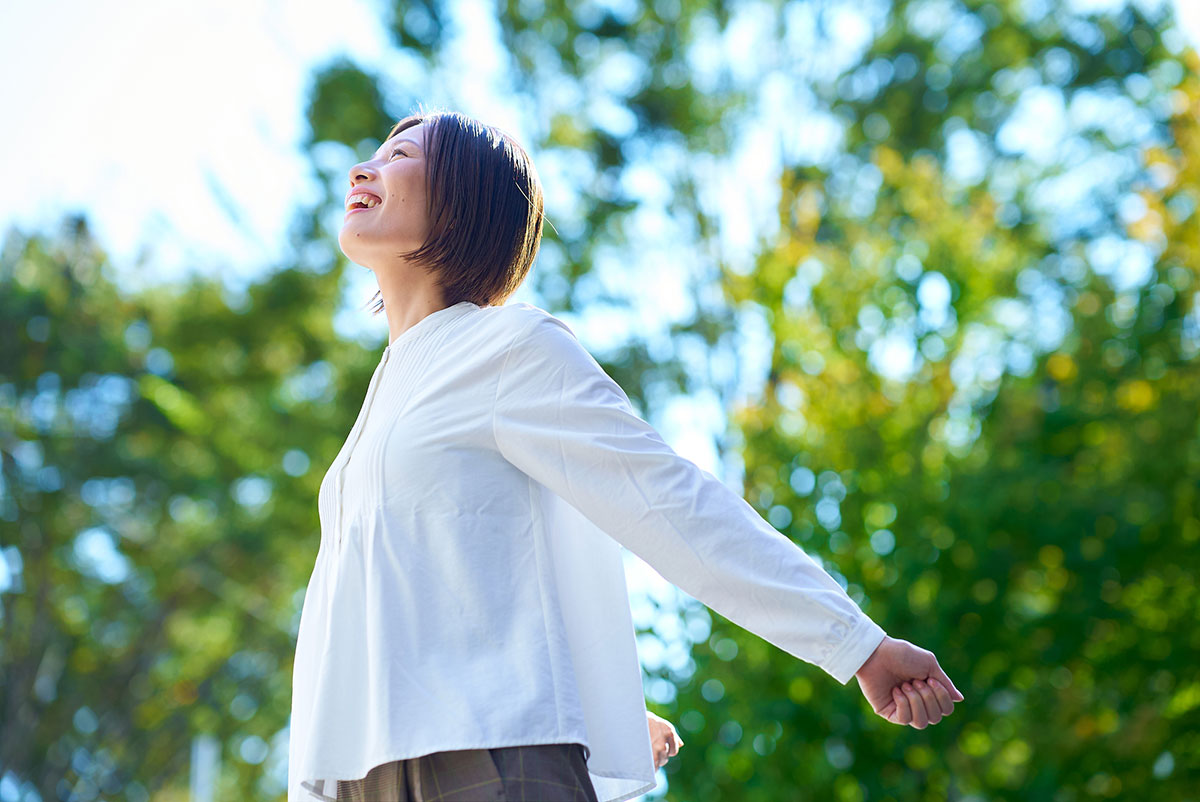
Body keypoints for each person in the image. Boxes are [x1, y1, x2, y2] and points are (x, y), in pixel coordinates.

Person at [287, 108, 963, 802]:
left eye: (401, 154)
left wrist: (855, 645)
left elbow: (666, 501)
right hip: (361, 772)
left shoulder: (509, 349)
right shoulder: (385, 396)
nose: (364, 168)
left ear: (467, 200)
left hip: (479, 764)